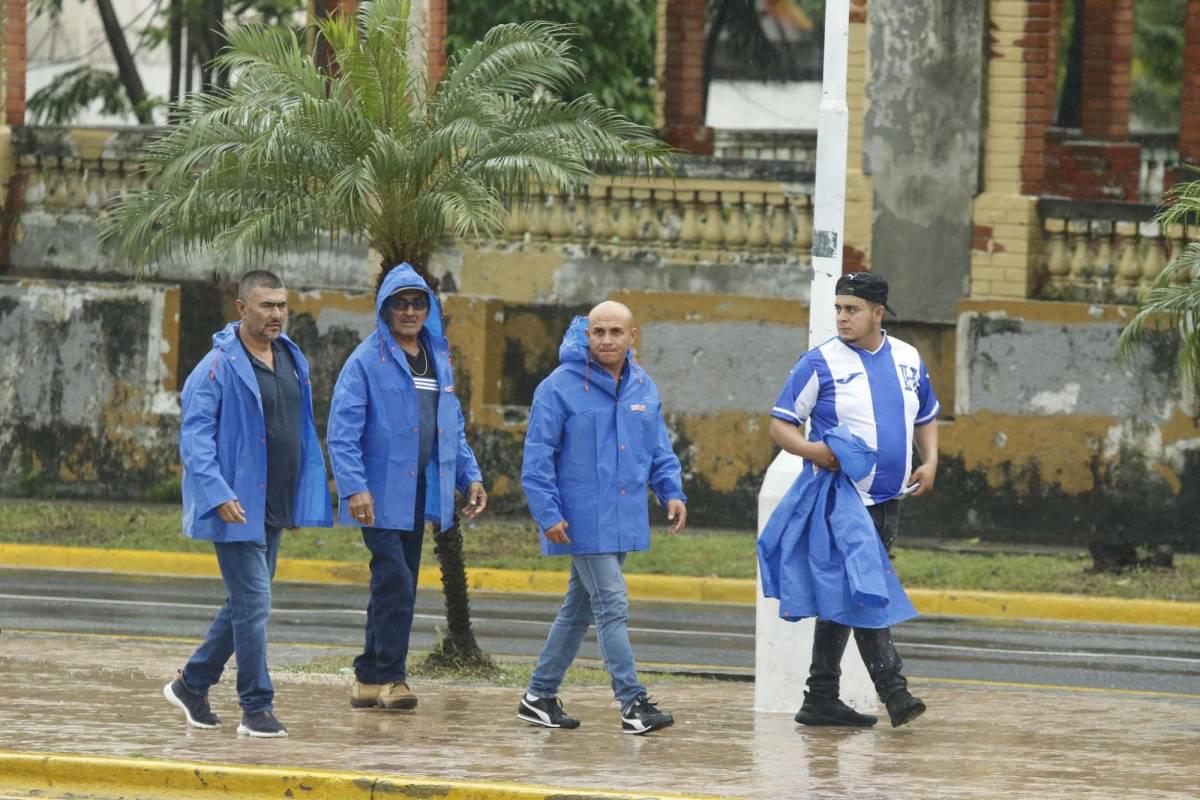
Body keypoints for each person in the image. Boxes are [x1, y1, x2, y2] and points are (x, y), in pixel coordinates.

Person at [165, 269, 333, 738]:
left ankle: (191, 684)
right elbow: (195, 440)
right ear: (242, 308)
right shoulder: (216, 366)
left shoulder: (289, 358)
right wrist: (218, 494)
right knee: (256, 604)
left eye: (281, 305)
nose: (276, 314)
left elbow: (296, 431)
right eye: (266, 305)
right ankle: (256, 707)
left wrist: (297, 497)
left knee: (243, 605)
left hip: (273, 505)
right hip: (234, 506)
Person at [768, 271, 938, 729]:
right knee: (866, 588)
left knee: (846, 593)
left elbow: (926, 413)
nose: (842, 317)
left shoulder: (907, 357)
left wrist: (931, 460)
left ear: (877, 313)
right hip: (842, 500)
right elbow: (781, 424)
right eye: (839, 308)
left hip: (889, 498)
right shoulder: (818, 362)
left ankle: (820, 695)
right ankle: (894, 690)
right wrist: (813, 451)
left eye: (852, 310)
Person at [519, 301, 687, 735]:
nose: (607, 340)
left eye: (616, 332)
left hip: (624, 517)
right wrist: (548, 513)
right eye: (598, 332)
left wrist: (671, 492)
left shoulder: (642, 386)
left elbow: (658, 449)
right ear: (586, 336)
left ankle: (538, 695)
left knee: (578, 609)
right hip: (579, 520)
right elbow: (537, 459)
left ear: (633, 337)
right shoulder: (557, 387)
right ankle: (633, 703)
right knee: (611, 604)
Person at [327, 263, 486, 711]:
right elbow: (343, 431)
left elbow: (448, 427)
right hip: (376, 495)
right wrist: (354, 487)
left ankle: (366, 677)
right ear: (385, 308)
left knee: (395, 582)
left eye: (418, 304)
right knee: (395, 576)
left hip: (419, 492)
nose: (410, 312)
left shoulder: (437, 359)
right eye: (402, 303)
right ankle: (394, 678)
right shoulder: (364, 361)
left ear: (428, 309)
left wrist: (468, 476)